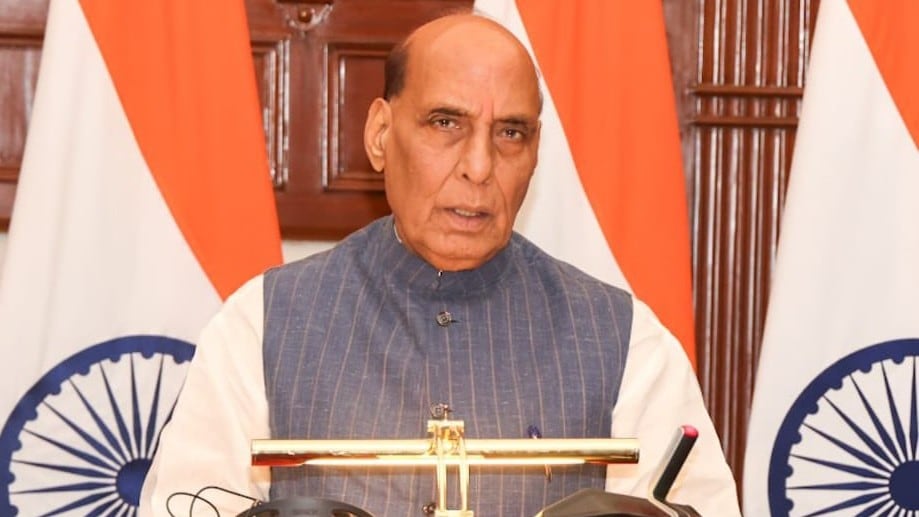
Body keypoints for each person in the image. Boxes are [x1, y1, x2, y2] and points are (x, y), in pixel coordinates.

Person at [139, 12, 742, 517]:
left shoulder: (624, 339)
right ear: (380, 134)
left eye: (510, 133)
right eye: (446, 123)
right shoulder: (263, 324)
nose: (479, 166)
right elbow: (186, 502)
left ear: (536, 150)